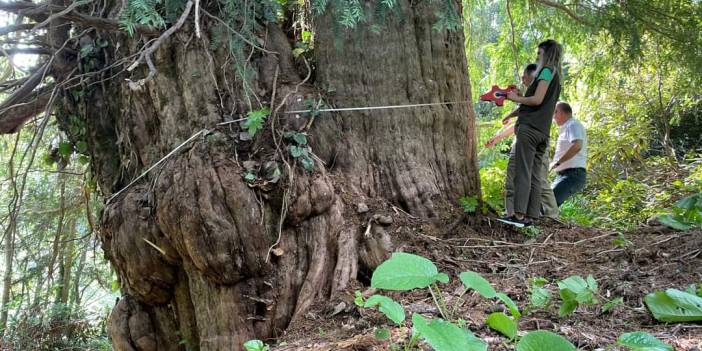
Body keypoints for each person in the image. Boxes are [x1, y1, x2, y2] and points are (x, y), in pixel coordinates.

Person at [484, 64, 558, 219]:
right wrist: (500, 133)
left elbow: (530, 119)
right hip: (520, 144)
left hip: (534, 142)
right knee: (513, 179)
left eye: (524, 77)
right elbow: (518, 123)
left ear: (534, 77)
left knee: (538, 180)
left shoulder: (541, 98)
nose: (522, 81)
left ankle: (550, 216)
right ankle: (514, 214)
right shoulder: (527, 99)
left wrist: (517, 99)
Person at [503, 39, 563, 226]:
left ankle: (518, 214)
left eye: (539, 54)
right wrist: (514, 111)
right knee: (536, 175)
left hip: (529, 129)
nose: (537, 57)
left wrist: (515, 98)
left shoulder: (546, 71)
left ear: (547, 54)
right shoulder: (556, 76)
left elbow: (536, 100)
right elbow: (541, 103)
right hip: (543, 132)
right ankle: (531, 216)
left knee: (523, 172)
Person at [550, 102, 587, 206]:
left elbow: (577, 145)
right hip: (564, 174)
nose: (553, 118)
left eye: (554, 114)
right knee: (547, 202)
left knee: (548, 203)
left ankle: (532, 221)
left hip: (572, 174)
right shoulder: (567, 126)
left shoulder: (572, 125)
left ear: (559, 112)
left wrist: (558, 162)